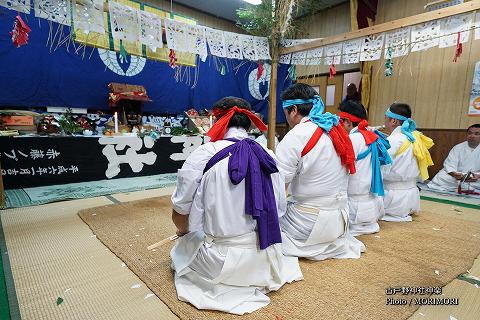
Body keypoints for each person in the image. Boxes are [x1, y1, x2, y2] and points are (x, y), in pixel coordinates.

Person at [170, 97, 303, 315]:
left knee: (185, 245)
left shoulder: (203, 154)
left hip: (220, 262)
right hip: (265, 259)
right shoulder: (270, 156)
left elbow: (180, 213)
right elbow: (279, 210)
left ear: (218, 120)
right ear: (250, 122)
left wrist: (184, 233)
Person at [276, 83, 365, 261]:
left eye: (285, 112)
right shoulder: (336, 131)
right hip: (341, 222)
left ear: (293, 110)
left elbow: (278, 189)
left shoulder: (295, 136)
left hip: (307, 224)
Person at [338, 100, 392, 236]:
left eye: (340, 121)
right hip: (372, 204)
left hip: (354, 207)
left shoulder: (353, 139)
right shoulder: (371, 136)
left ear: (348, 122)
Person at [381, 103, 434, 222]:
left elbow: (381, 166)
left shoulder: (394, 140)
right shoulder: (416, 137)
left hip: (393, 199)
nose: (384, 122)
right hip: (412, 198)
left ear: (393, 121)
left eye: (385, 118)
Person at [428, 124, 480, 192]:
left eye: (477, 134)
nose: (472, 136)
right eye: (470, 133)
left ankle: (464, 187)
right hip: (457, 176)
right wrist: (454, 174)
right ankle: (467, 187)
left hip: (475, 177)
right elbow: (449, 164)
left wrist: (478, 176)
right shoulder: (458, 147)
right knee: (441, 176)